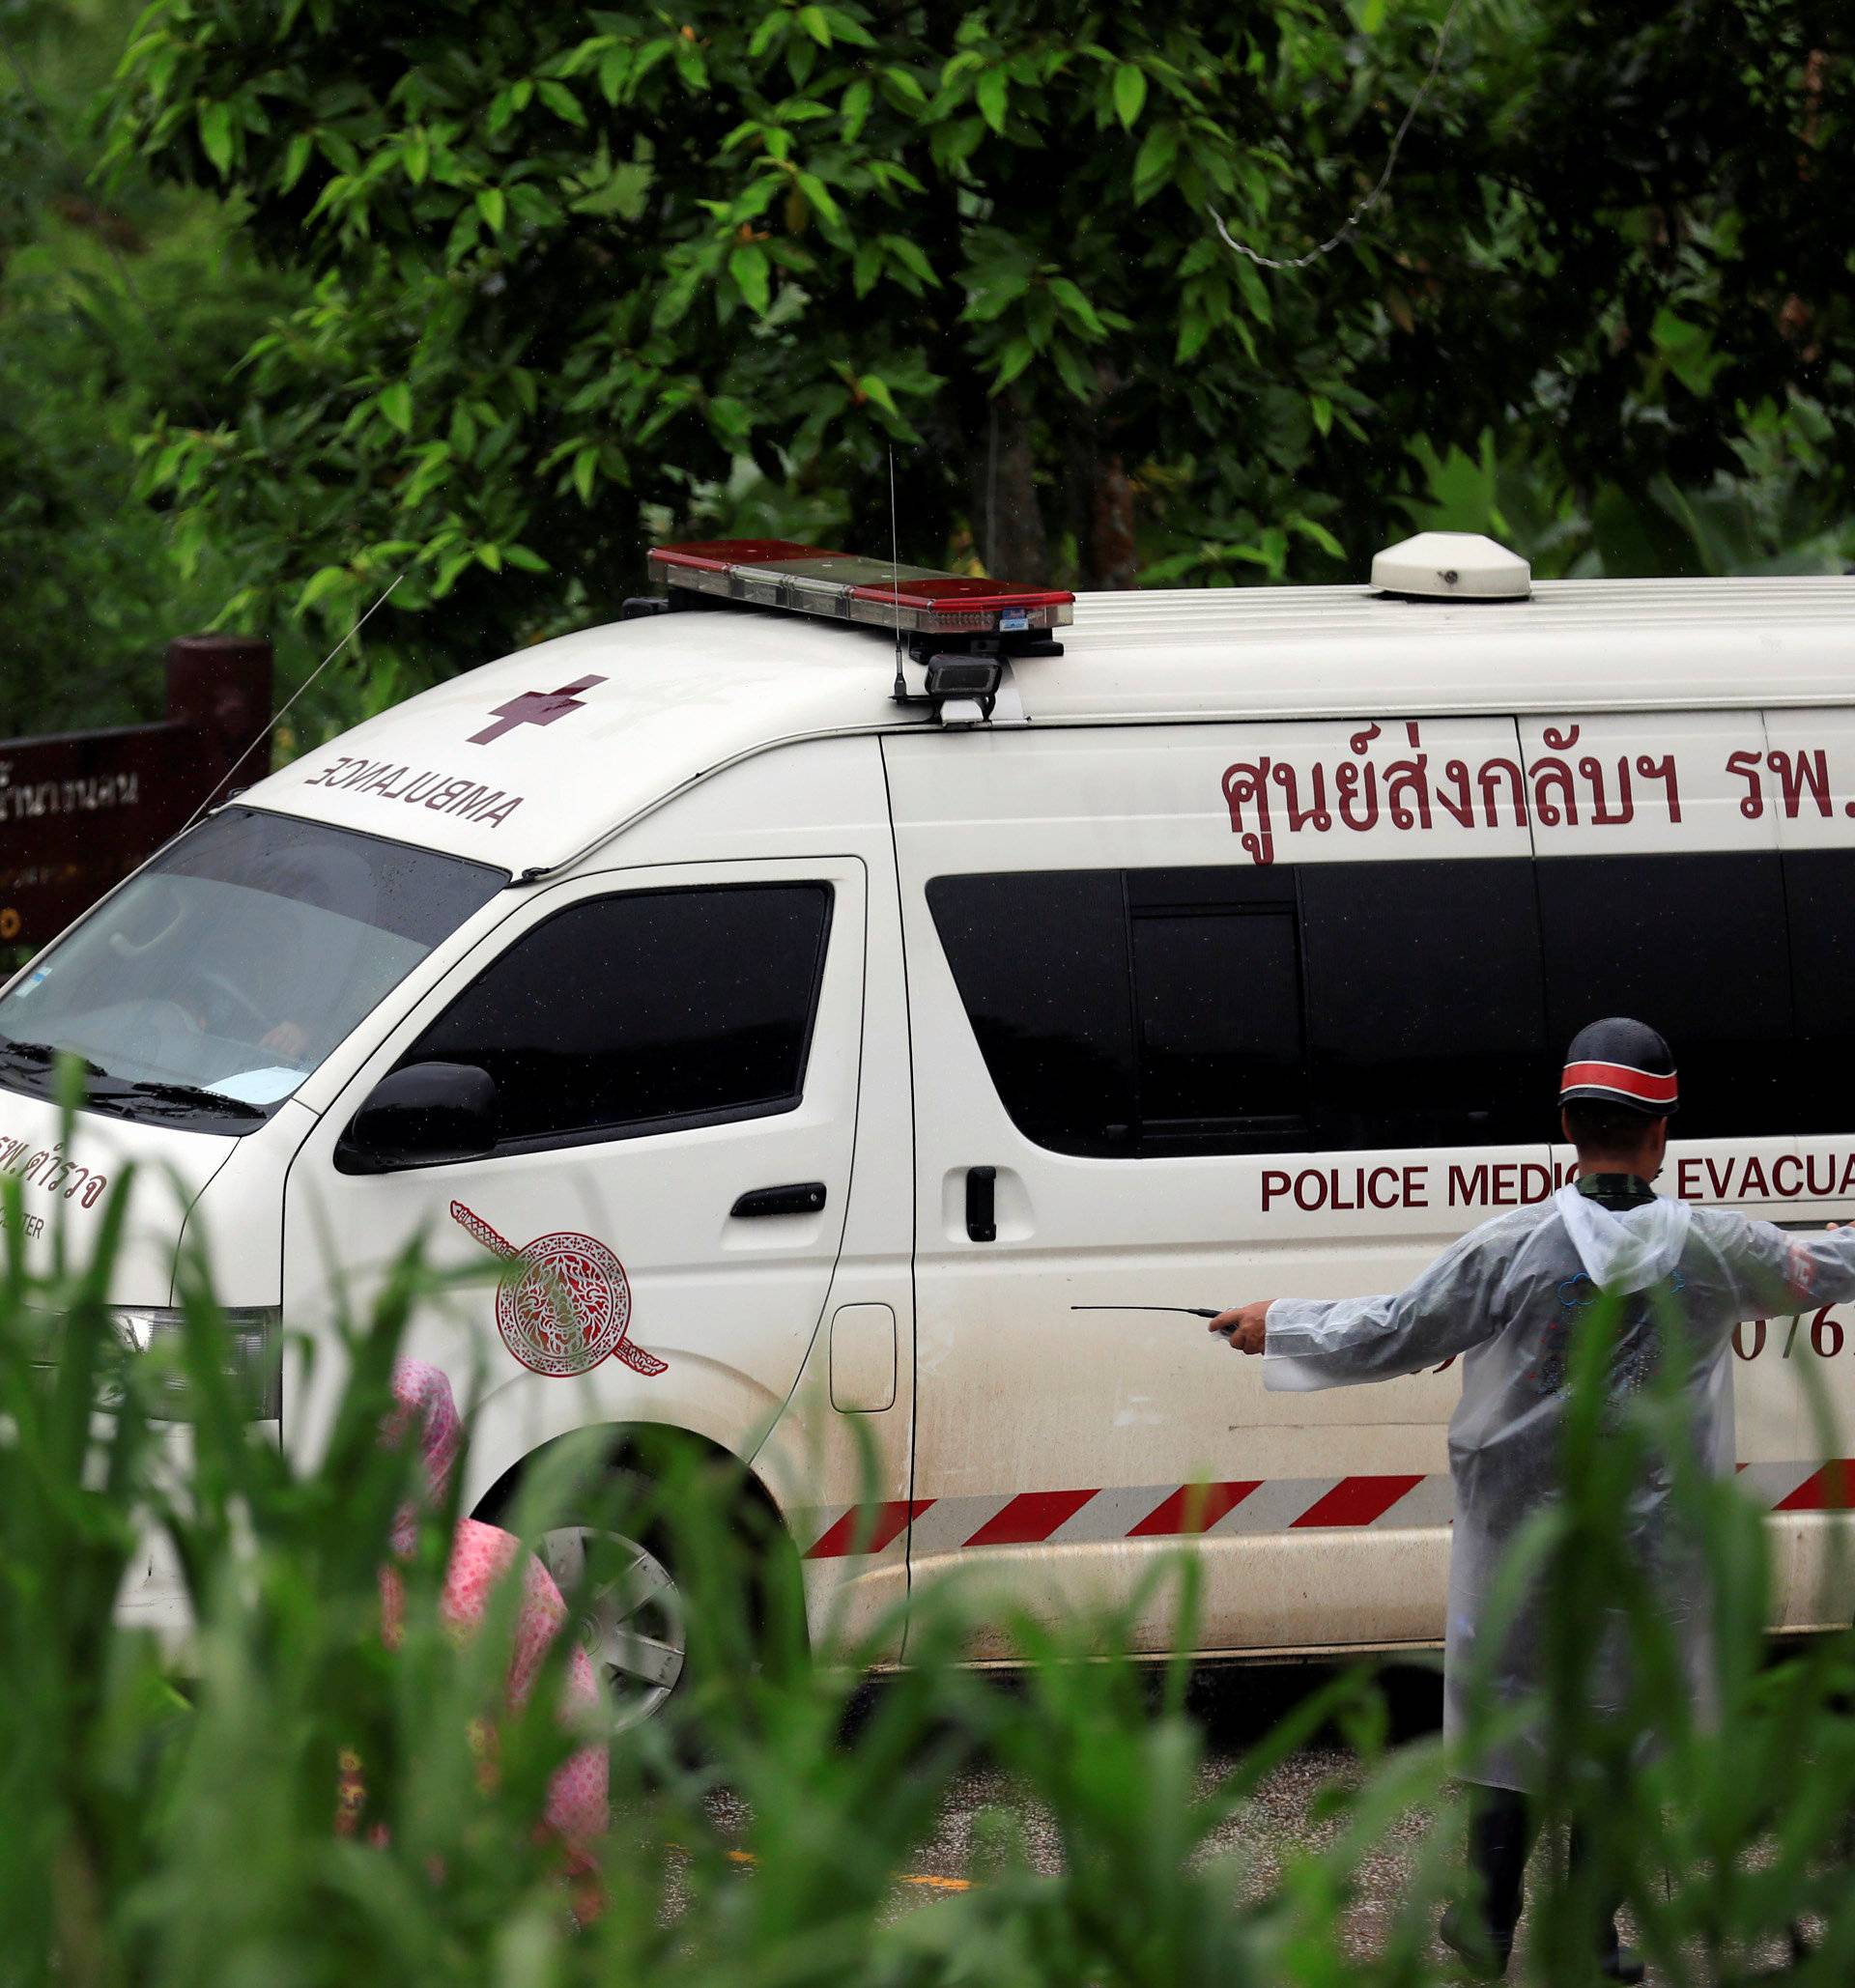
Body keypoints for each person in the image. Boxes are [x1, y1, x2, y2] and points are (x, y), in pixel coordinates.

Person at [1209, 1017, 1855, 1980]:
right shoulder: (1721, 1249)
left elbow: (1392, 1330)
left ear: (1564, 1121)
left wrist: (1279, 1322)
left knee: (1508, 1715)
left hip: (1519, 1539)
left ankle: (1485, 1919)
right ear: (1661, 1131)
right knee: (1623, 1726)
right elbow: (1829, 1266)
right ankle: (1592, 1937)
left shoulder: (1506, 1248)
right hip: (1654, 1546)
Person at [341, 1360, 609, 1906]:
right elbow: (560, 1714)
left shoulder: (322, 1564)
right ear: (442, 1443)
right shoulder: (497, 1564)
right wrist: (583, 1871)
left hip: (343, 1870)